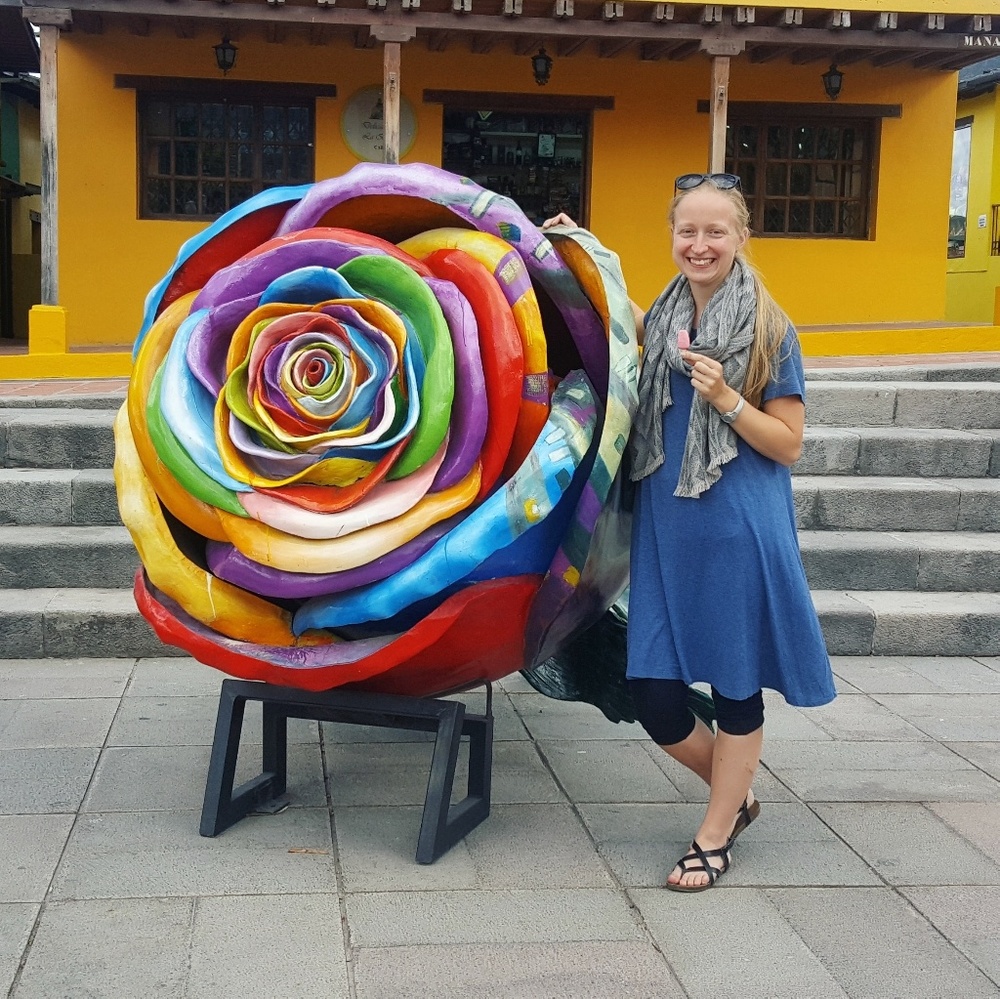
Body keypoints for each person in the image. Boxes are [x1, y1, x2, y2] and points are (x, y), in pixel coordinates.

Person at [542, 173, 835, 892]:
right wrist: (575, 250)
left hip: (738, 528)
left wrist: (729, 399)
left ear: (740, 238)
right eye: (687, 231)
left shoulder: (769, 328)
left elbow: (790, 443)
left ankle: (713, 833)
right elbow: (621, 321)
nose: (699, 244)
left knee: (736, 687)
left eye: (715, 231)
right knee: (655, 694)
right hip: (668, 532)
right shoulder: (669, 318)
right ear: (673, 237)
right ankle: (734, 795)